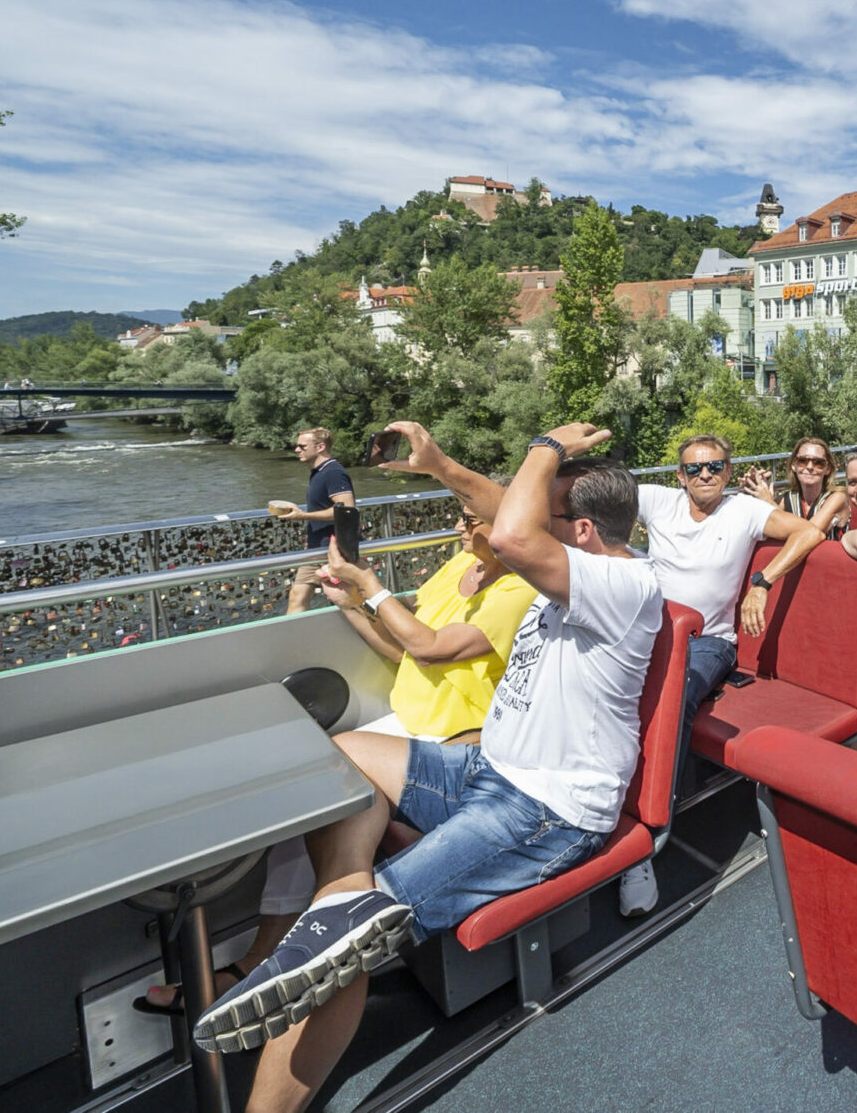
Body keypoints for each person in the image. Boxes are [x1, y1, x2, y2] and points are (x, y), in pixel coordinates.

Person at [193, 424, 664, 1113]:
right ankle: (346, 897)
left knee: (342, 951)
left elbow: (510, 533)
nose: (517, 517)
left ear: (583, 530)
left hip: (546, 811)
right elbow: (510, 515)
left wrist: (545, 445)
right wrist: (439, 463)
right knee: (346, 754)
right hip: (485, 770)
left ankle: (330, 956)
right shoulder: (574, 569)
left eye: (545, 514)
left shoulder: (626, 585)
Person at [137, 464, 535, 1019]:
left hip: (458, 744)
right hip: (408, 724)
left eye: (472, 521)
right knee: (310, 791)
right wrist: (348, 603)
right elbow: (402, 651)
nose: (459, 530)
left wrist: (370, 588)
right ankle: (291, 948)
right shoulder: (458, 568)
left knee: (330, 790)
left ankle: (293, 953)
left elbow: (432, 648)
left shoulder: (522, 590)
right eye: (461, 519)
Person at [628, 433, 824, 913]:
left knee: (673, 696)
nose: (705, 475)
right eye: (694, 469)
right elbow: (593, 500)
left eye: (714, 466)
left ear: (729, 472)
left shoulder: (743, 511)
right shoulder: (657, 500)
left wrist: (761, 582)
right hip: (651, 631)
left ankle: (646, 837)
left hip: (709, 644)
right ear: (679, 476)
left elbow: (809, 532)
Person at [276, 427, 356, 614]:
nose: (297, 450)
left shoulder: (333, 472)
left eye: (302, 446)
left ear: (320, 447)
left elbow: (346, 509)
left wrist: (302, 516)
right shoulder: (318, 472)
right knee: (297, 595)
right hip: (316, 547)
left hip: (335, 549)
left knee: (349, 600)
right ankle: (292, 640)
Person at [741, 437, 848, 539]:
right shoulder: (786, 500)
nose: (810, 467)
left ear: (827, 469)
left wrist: (769, 502)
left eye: (818, 463)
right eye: (802, 461)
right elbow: (754, 523)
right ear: (793, 465)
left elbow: (809, 534)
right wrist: (751, 489)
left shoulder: (837, 499)